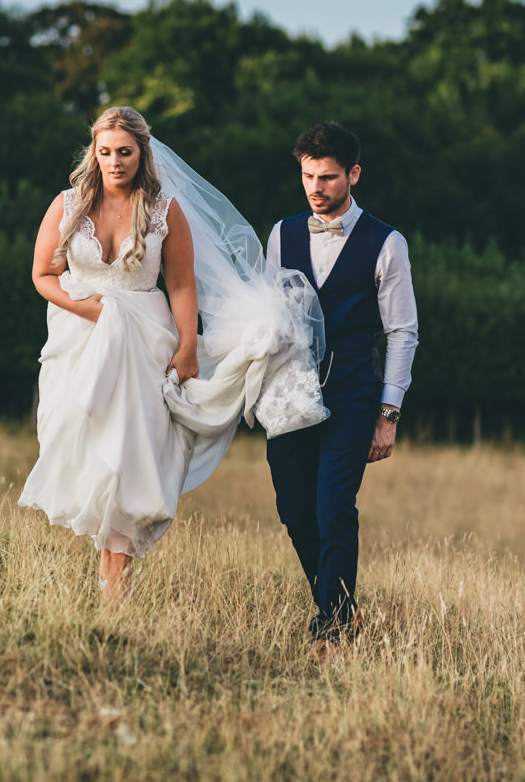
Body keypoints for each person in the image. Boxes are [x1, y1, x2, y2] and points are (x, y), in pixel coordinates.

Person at [20, 107, 327, 603]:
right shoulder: (67, 205)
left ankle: (113, 587)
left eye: (124, 152)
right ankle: (106, 571)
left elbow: (182, 284)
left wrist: (187, 346)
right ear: (92, 154)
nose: (115, 161)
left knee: (130, 457)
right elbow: (42, 275)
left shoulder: (164, 210)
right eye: (105, 152)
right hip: (80, 341)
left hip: (146, 342)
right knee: (82, 447)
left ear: (141, 153)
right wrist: (88, 307)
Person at [264, 121, 419, 659]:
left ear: (353, 174)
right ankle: (341, 605)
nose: (315, 187)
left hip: (353, 391)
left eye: (327, 177)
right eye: (307, 175)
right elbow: (270, 318)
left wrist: (388, 414)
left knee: (334, 508)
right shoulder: (281, 234)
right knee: (293, 509)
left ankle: (329, 627)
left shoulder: (386, 242)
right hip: (290, 392)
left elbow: (402, 332)